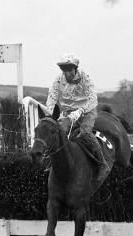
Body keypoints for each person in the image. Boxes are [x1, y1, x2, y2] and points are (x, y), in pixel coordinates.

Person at [45, 54, 108, 182]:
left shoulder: (86, 78)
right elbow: (51, 98)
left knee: (85, 133)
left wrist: (80, 111)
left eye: (69, 70)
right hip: (68, 113)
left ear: (75, 69)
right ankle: (51, 163)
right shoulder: (58, 80)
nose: (67, 74)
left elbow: (93, 99)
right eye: (64, 71)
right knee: (59, 132)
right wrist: (52, 113)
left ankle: (102, 165)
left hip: (87, 111)